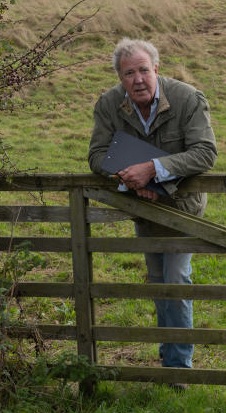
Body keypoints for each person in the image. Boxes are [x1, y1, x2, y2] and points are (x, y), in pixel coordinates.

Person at [88, 38, 216, 373]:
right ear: (120, 77)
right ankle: (168, 349)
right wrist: (131, 181)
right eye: (128, 73)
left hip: (182, 208)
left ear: (156, 69)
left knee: (175, 280)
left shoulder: (187, 98)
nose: (138, 79)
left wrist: (153, 171)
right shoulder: (109, 104)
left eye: (144, 70)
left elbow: (205, 152)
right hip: (142, 207)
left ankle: (178, 367)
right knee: (158, 281)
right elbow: (97, 155)